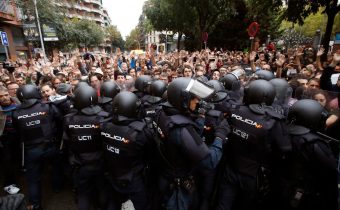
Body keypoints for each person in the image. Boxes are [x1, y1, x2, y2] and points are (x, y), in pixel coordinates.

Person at [152, 77, 230, 210]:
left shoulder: (161, 112)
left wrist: (199, 118)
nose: (198, 101)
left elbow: (188, 139)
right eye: (195, 98)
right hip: (177, 189)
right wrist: (220, 136)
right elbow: (210, 161)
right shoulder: (182, 129)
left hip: (165, 174)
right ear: (183, 100)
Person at [215, 79, 291, 210]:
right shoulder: (274, 121)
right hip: (254, 174)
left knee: (223, 204)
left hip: (231, 168)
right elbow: (285, 149)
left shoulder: (236, 111)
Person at [271, 99, 338, 210]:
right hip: (302, 195)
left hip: (277, 186)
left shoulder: (281, 130)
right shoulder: (314, 144)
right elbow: (330, 175)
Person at [12, 84, 63, 210]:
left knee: (33, 179)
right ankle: (57, 187)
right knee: (56, 167)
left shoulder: (16, 113)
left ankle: (35, 204)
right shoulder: (48, 106)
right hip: (50, 146)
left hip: (31, 150)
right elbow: (60, 120)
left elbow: (18, 131)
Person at [101, 91, 154, 210]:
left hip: (112, 174)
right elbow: (150, 154)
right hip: (133, 178)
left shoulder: (104, 125)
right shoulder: (140, 132)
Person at [63, 85, 111, 210]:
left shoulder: (69, 120)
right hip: (100, 162)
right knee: (102, 189)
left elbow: (67, 141)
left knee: (83, 193)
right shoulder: (104, 118)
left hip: (80, 163)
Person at [0, 86, 20, 195]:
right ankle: (8, 184)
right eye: (1, 96)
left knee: (16, 158)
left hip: (18, 136)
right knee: (7, 161)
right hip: (4, 138)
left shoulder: (18, 105)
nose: (4, 98)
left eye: (6, 95)